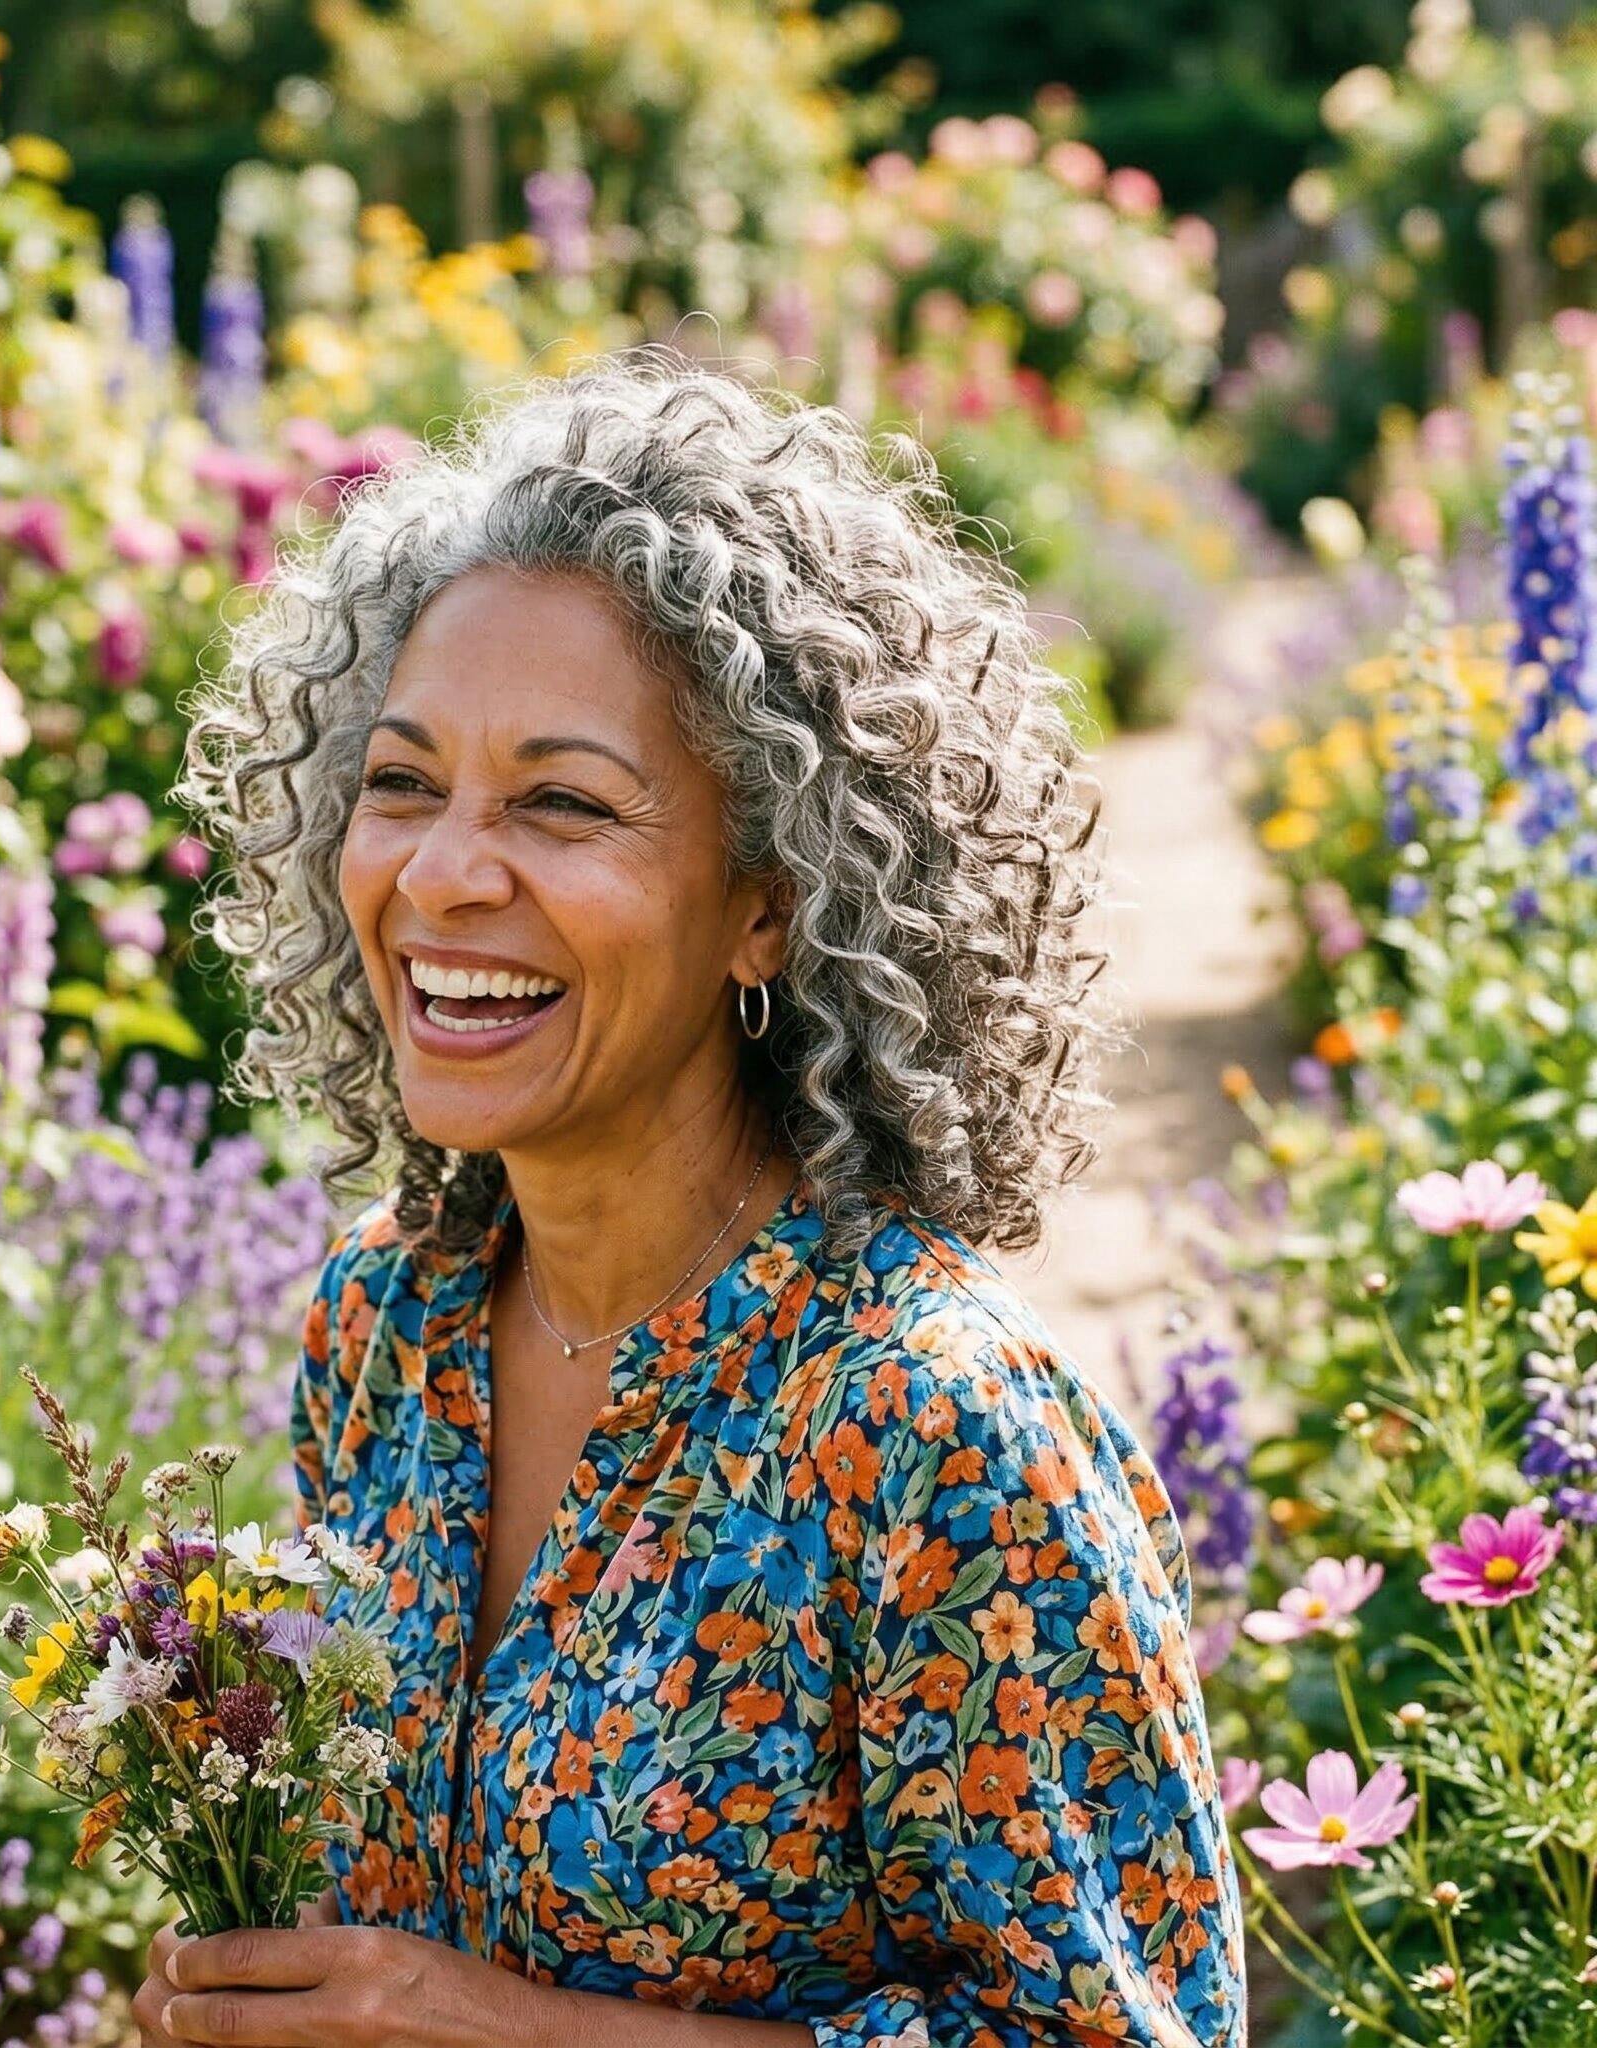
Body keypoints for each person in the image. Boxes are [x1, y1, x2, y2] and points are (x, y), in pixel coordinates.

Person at [133, 345, 1246, 2047]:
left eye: (564, 803)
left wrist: (492, 2028)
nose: (442, 874)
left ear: (771, 908)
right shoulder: (386, 1324)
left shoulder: (930, 1430)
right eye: (403, 783)